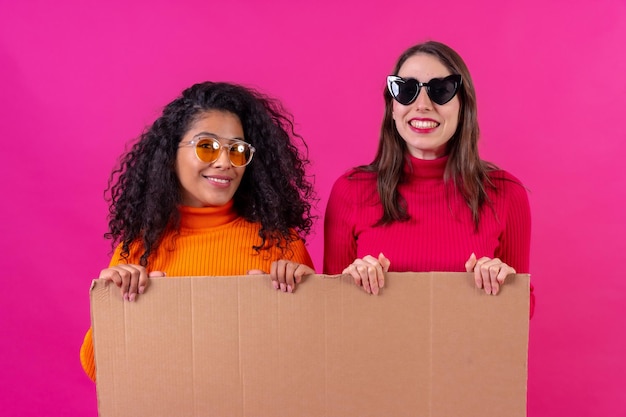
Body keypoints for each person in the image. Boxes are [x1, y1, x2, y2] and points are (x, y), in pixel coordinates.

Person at [80, 81, 316, 381]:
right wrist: (113, 306)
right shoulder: (139, 249)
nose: (225, 162)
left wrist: (308, 302)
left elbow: (314, 365)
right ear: (170, 153)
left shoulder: (282, 246)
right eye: (207, 147)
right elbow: (97, 371)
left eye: (238, 150)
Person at [324, 41, 533, 315]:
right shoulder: (350, 191)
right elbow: (328, 311)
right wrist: (349, 285)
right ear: (393, 107)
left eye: (441, 90)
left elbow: (521, 313)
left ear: (463, 105)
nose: (422, 105)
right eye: (407, 90)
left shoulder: (506, 193)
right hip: (376, 356)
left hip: (467, 357)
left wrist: (504, 288)